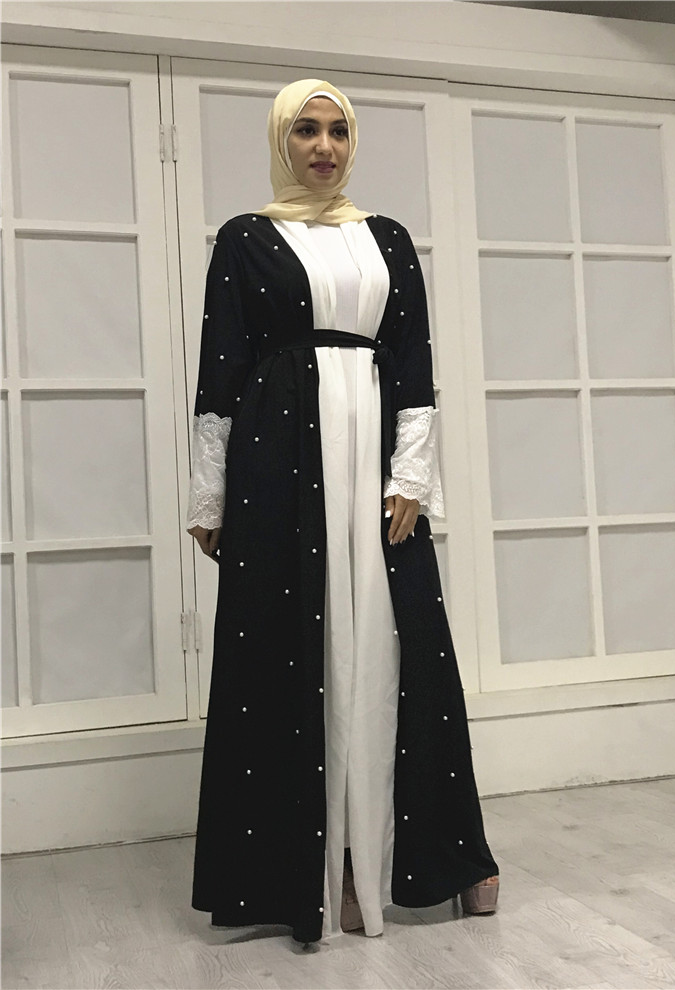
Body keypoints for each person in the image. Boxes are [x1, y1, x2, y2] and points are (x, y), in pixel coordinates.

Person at [186, 77, 499, 947]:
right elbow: (221, 372)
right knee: (290, 647)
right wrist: (210, 492)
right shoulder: (246, 239)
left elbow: (414, 364)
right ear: (281, 141)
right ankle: (316, 874)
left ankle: (420, 858)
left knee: (402, 642)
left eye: (336, 131)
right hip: (278, 462)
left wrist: (411, 477)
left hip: (374, 458)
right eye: (306, 131)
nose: (323, 147)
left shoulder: (387, 239)